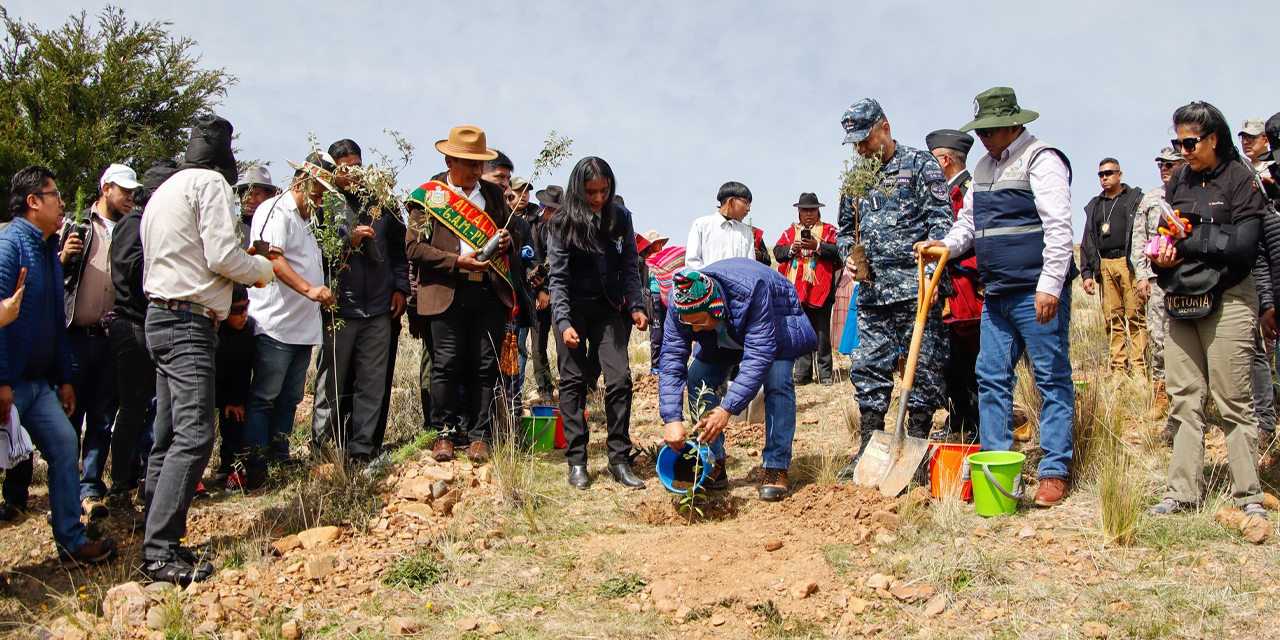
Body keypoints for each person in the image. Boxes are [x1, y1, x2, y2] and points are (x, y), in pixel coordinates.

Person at [919, 87, 1077, 507]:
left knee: (1051, 380)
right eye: (981, 131)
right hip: (997, 295)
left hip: (1035, 293)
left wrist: (1050, 286)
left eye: (991, 130)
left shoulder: (1042, 159)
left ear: (1014, 123)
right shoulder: (985, 168)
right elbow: (968, 224)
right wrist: (945, 246)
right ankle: (994, 463)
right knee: (990, 377)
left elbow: (1059, 227)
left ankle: (1054, 470)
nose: (985, 138)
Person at [140, 114, 275, 583]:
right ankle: (160, 551)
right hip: (189, 321)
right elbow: (220, 255)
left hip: (159, 314)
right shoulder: (211, 185)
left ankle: (154, 533)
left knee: (168, 435)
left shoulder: (163, 192)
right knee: (196, 434)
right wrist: (260, 267)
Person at [1149, 102, 1268, 519]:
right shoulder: (1179, 178)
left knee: (1233, 399)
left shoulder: (1240, 179)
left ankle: (1248, 495)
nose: (1183, 150)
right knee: (1183, 398)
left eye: (1190, 142)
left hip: (1229, 296)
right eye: (1177, 142)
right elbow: (1168, 238)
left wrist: (1193, 239)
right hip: (1181, 297)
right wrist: (1163, 257)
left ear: (1213, 139)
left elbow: (1243, 248)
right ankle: (1181, 493)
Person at [0, 165, 118, 564]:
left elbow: (55, 322)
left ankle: (72, 540)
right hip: (10, 385)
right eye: (54, 195)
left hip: (39, 385)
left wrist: (64, 377)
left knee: (66, 446)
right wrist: (2, 380)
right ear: (33, 202)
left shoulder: (48, 250)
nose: (62, 202)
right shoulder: (9, 246)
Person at [834, 98, 953, 476]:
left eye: (865, 139)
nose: (861, 149)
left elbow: (941, 222)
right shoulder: (857, 179)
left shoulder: (920, 164)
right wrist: (846, 256)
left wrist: (933, 271)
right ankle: (870, 445)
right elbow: (843, 231)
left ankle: (915, 444)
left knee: (924, 367)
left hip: (916, 288)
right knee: (868, 365)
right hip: (872, 292)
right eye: (854, 143)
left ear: (884, 127)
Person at [405, 125, 518, 464]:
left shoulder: (494, 195)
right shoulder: (428, 198)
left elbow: (507, 238)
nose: (477, 171)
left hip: (487, 293)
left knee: (485, 366)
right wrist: (456, 261)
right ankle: (445, 434)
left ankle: (481, 435)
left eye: (480, 164)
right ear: (450, 160)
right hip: (446, 292)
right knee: (447, 365)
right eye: (470, 164)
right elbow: (413, 248)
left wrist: (509, 243)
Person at [659, 261, 817, 501]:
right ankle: (713, 462)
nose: (695, 330)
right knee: (698, 376)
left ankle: (776, 465)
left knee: (778, 381)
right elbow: (671, 356)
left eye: (699, 322)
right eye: (689, 324)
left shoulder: (752, 292)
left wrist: (727, 409)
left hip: (775, 316)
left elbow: (759, 356)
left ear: (715, 308)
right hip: (725, 333)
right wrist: (671, 418)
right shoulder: (681, 302)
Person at [546, 157, 648, 489]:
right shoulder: (562, 222)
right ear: (579, 189)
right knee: (573, 383)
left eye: (604, 191)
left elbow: (630, 266)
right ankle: (577, 461)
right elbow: (557, 279)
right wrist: (562, 322)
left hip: (607, 309)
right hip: (571, 310)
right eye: (591, 192)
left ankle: (619, 458)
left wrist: (635, 305)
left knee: (620, 379)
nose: (598, 198)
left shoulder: (620, 218)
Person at [310, 139, 410, 463]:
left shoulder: (382, 203)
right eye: (345, 169)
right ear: (334, 170)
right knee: (331, 383)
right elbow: (317, 254)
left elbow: (399, 252)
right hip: (340, 308)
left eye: (356, 166)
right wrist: (347, 241)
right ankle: (323, 452)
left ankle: (362, 450)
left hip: (379, 308)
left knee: (372, 383)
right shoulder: (324, 203)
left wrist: (400, 289)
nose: (352, 174)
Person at [242, 152, 338, 487]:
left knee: (289, 399)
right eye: (319, 188)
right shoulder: (275, 209)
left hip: (301, 328)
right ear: (302, 181)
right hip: (275, 324)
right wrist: (310, 289)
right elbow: (272, 258)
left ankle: (278, 460)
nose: (322, 195)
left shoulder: (308, 218)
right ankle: (254, 466)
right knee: (264, 396)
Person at [58, 163, 138, 519]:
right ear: (106, 188)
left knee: (103, 416)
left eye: (134, 192)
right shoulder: (75, 226)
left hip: (111, 337)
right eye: (124, 191)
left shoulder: (130, 229)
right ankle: (64, 489)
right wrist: (63, 258)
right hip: (76, 335)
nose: (130, 198)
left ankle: (90, 485)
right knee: (68, 417)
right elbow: (52, 276)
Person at [100, 160, 177, 529]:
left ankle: (148, 478)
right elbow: (127, 268)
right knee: (131, 410)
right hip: (132, 324)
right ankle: (119, 489)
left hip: (149, 324)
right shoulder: (135, 223)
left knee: (153, 408)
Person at [926, 129, 982, 442]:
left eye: (933, 159)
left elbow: (969, 238)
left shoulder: (967, 190)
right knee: (947, 360)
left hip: (964, 289)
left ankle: (975, 423)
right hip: (942, 289)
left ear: (945, 159)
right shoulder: (939, 192)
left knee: (968, 358)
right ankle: (957, 419)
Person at [1130, 148, 1186, 421]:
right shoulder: (1151, 200)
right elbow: (1139, 240)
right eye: (1161, 164)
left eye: (1170, 164)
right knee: (1159, 339)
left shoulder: (1194, 193)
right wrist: (1141, 274)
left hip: (1190, 279)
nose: (1164, 168)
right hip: (1157, 281)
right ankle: (1161, 394)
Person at [1081, 158, 1147, 375]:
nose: (1105, 177)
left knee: (1135, 315)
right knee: (1112, 318)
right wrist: (1087, 273)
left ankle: (1139, 368)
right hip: (1106, 264)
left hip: (1128, 263)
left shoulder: (1133, 199)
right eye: (1101, 174)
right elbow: (1088, 240)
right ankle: (1118, 368)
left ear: (1120, 175)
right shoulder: (1096, 206)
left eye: (1109, 173)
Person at [773, 192, 839, 386]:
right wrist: (792, 249)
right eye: (804, 210)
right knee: (800, 331)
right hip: (796, 291)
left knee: (821, 332)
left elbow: (838, 251)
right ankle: (802, 374)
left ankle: (825, 374)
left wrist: (817, 246)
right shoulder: (789, 233)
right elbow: (778, 253)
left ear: (818, 211)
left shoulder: (829, 231)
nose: (808, 214)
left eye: (812, 210)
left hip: (821, 289)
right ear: (799, 212)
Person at [216, 285, 255, 485]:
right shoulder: (212, 329)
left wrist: (234, 399)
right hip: (210, 385)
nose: (244, 315)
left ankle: (231, 468)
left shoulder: (248, 330)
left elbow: (243, 368)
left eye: (246, 308)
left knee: (235, 420)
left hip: (233, 386)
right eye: (237, 310)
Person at [527, 185, 563, 402]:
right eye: (546, 209)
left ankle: (567, 385)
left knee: (562, 345)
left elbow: (556, 264)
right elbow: (536, 261)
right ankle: (545, 389)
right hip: (538, 295)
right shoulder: (537, 225)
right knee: (538, 346)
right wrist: (540, 291)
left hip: (558, 297)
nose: (547, 213)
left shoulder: (567, 231)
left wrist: (548, 291)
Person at [685, 182, 765, 270]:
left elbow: (750, 267)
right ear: (731, 201)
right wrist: (711, 279)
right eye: (745, 202)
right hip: (708, 282)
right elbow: (692, 262)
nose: (748, 208)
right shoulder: (701, 225)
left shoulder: (746, 232)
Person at [647, 244, 686, 374]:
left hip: (669, 298)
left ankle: (670, 364)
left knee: (671, 331)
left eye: (661, 243)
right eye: (657, 243)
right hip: (654, 298)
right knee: (657, 332)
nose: (660, 246)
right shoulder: (647, 262)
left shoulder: (666, 259)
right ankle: (656, 365)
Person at [233, 166, 280, 247]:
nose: (252, 200)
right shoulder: (232, 229)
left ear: (271, 197)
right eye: (247, 194)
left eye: (258, 194)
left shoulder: (277, 229)